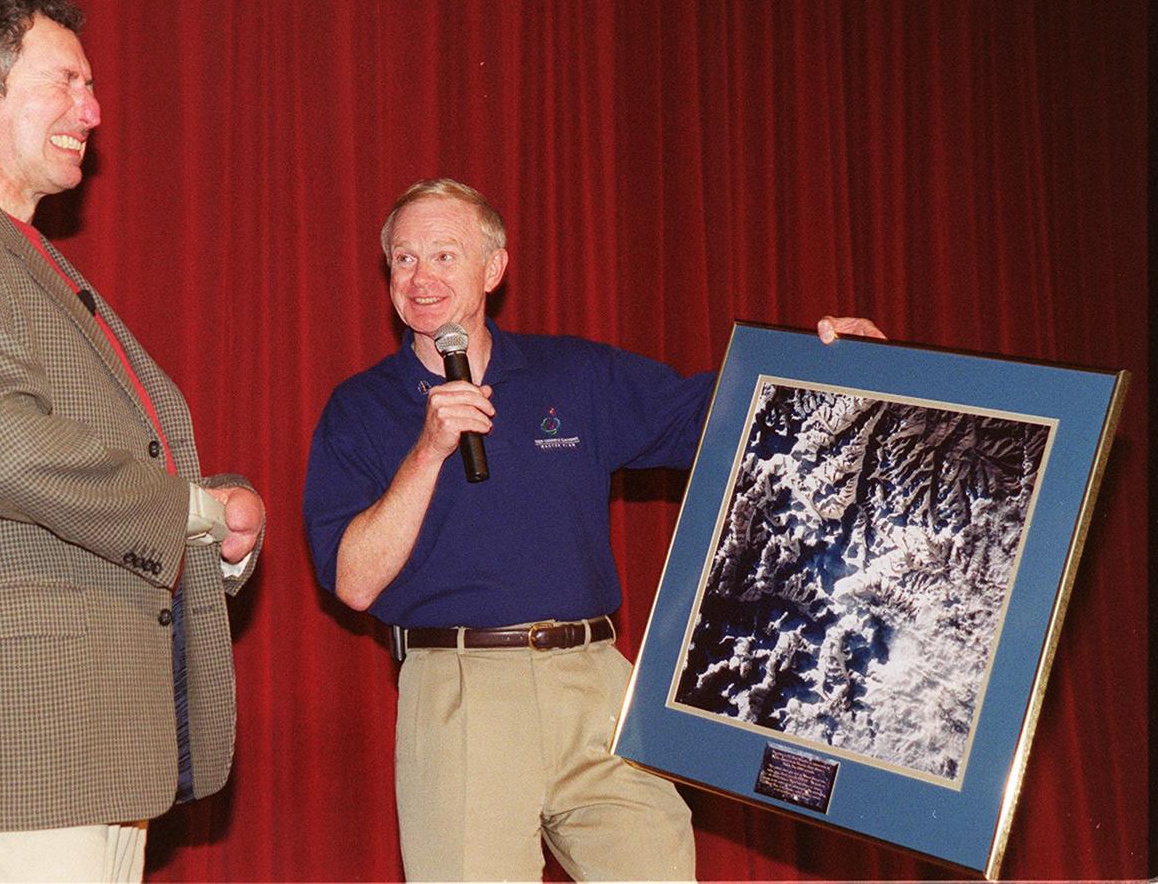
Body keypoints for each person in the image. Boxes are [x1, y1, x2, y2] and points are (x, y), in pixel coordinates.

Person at [304, 177, 881, 881]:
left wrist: (832, 369)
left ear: (494, 268)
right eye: (403, 258)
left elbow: (722, 413)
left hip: (598, 682)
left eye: (445, 255)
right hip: (461, 688)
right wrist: (428, 451)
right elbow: (354, 582)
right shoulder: (360, 407)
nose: (421, 277)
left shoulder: (574, 375)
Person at [0, 0, 264, 882]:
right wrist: (199, 511)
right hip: (10, 745)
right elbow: (1, 448)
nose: (93, 110)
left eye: (91, 89)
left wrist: (216, 528)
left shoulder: (25, 258)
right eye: (67, 82)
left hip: (83, 747)